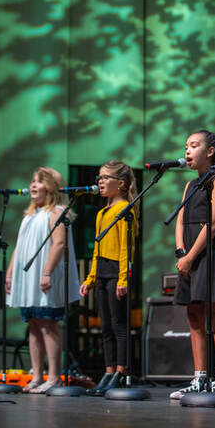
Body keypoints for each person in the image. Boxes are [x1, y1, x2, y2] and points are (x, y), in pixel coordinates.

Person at [170, 130, 215, 400]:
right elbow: (179, 220)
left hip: (207, 254)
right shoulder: (190, 185)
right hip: (188, 255)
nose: (187, 151)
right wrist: (180, 252)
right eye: (186, 146)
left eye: (194, 146)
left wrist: (190, 256)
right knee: (193, 315)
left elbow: (213, 226)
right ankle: (199, 377)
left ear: (210, 151)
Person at [6, 166, 80, 394]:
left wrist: (47, 272)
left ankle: (54, 377)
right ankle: (37, 376)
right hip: (27, 279)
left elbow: (59, 244)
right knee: (33, 325)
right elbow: (20, 247)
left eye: (38, 182)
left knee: (48, 324)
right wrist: (10, 274)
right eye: (32, 181)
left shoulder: (56, 211)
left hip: (44, 276)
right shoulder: (31, 215)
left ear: (50, 186)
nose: (32, 186)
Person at [79, 161, 138, 396]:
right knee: (105, 326)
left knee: (118, 325)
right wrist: (91, 278)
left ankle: (121, 371)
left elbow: (126, 248)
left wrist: (123, 278)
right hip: (102, 271)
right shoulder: (102, 213)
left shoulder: (126, 209)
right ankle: (108, 369)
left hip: (116, 271)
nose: (100, 182)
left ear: (121, 184)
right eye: (99, 178)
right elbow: (97, 248)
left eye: (106, 178)